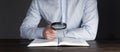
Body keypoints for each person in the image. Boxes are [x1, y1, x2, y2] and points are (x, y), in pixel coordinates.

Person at [20, 0, 99, 40]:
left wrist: (55, 34)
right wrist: (43, 32)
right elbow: (24, 30)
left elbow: (90, 32)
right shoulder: (38, 1)